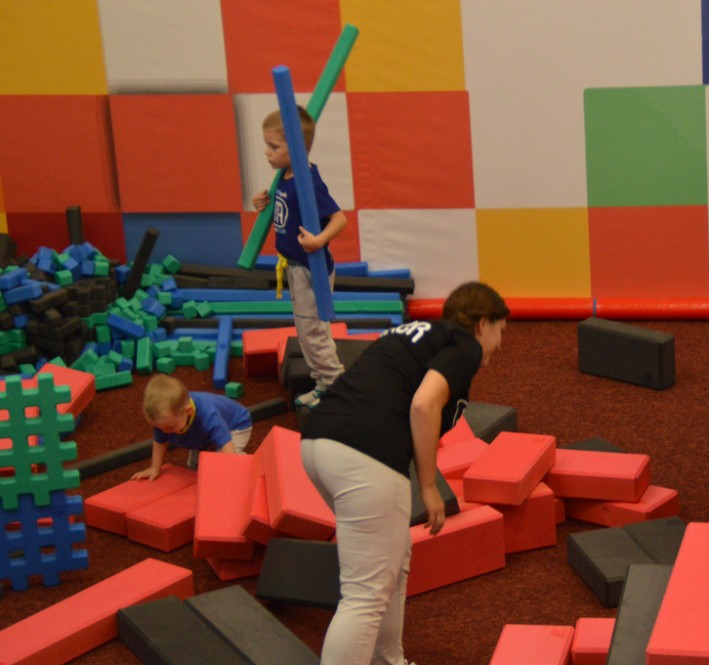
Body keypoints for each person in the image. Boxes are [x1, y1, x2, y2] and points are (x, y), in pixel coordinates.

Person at [299, 281, 509, 665]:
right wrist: (428, 486)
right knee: (364, 594)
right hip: (364, 455)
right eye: (500, 331)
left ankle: (389, 661)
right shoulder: (464, 345)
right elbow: (424, 405)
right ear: (482, 323)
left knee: (393, 560)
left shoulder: (417, 334)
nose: (499, 343)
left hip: (318, 443)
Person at [252, 105, 347, 410]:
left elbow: (339, 219)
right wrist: (263, 202)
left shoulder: (309, 182)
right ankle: (324, 382)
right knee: (307, 332)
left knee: (313, 334)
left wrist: (318, 240)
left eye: (273, 146)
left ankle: (334, 385)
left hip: (310, 269)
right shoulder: (285, 175)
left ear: (294, 147)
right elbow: (284, 208)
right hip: (294, 267)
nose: (267, 152)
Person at [131, 374, 253, 480]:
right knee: (194, 467)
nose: (164, 431)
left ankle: (246, 466)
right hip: (201, 433)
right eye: (159, 428)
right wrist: (155, 468)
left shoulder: (209, 417)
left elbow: (227, 446)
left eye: (170, 427)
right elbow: (160, 441)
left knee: (222, 465)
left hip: (236, 425)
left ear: (188, 411)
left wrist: (230, 475)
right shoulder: (165, 420)